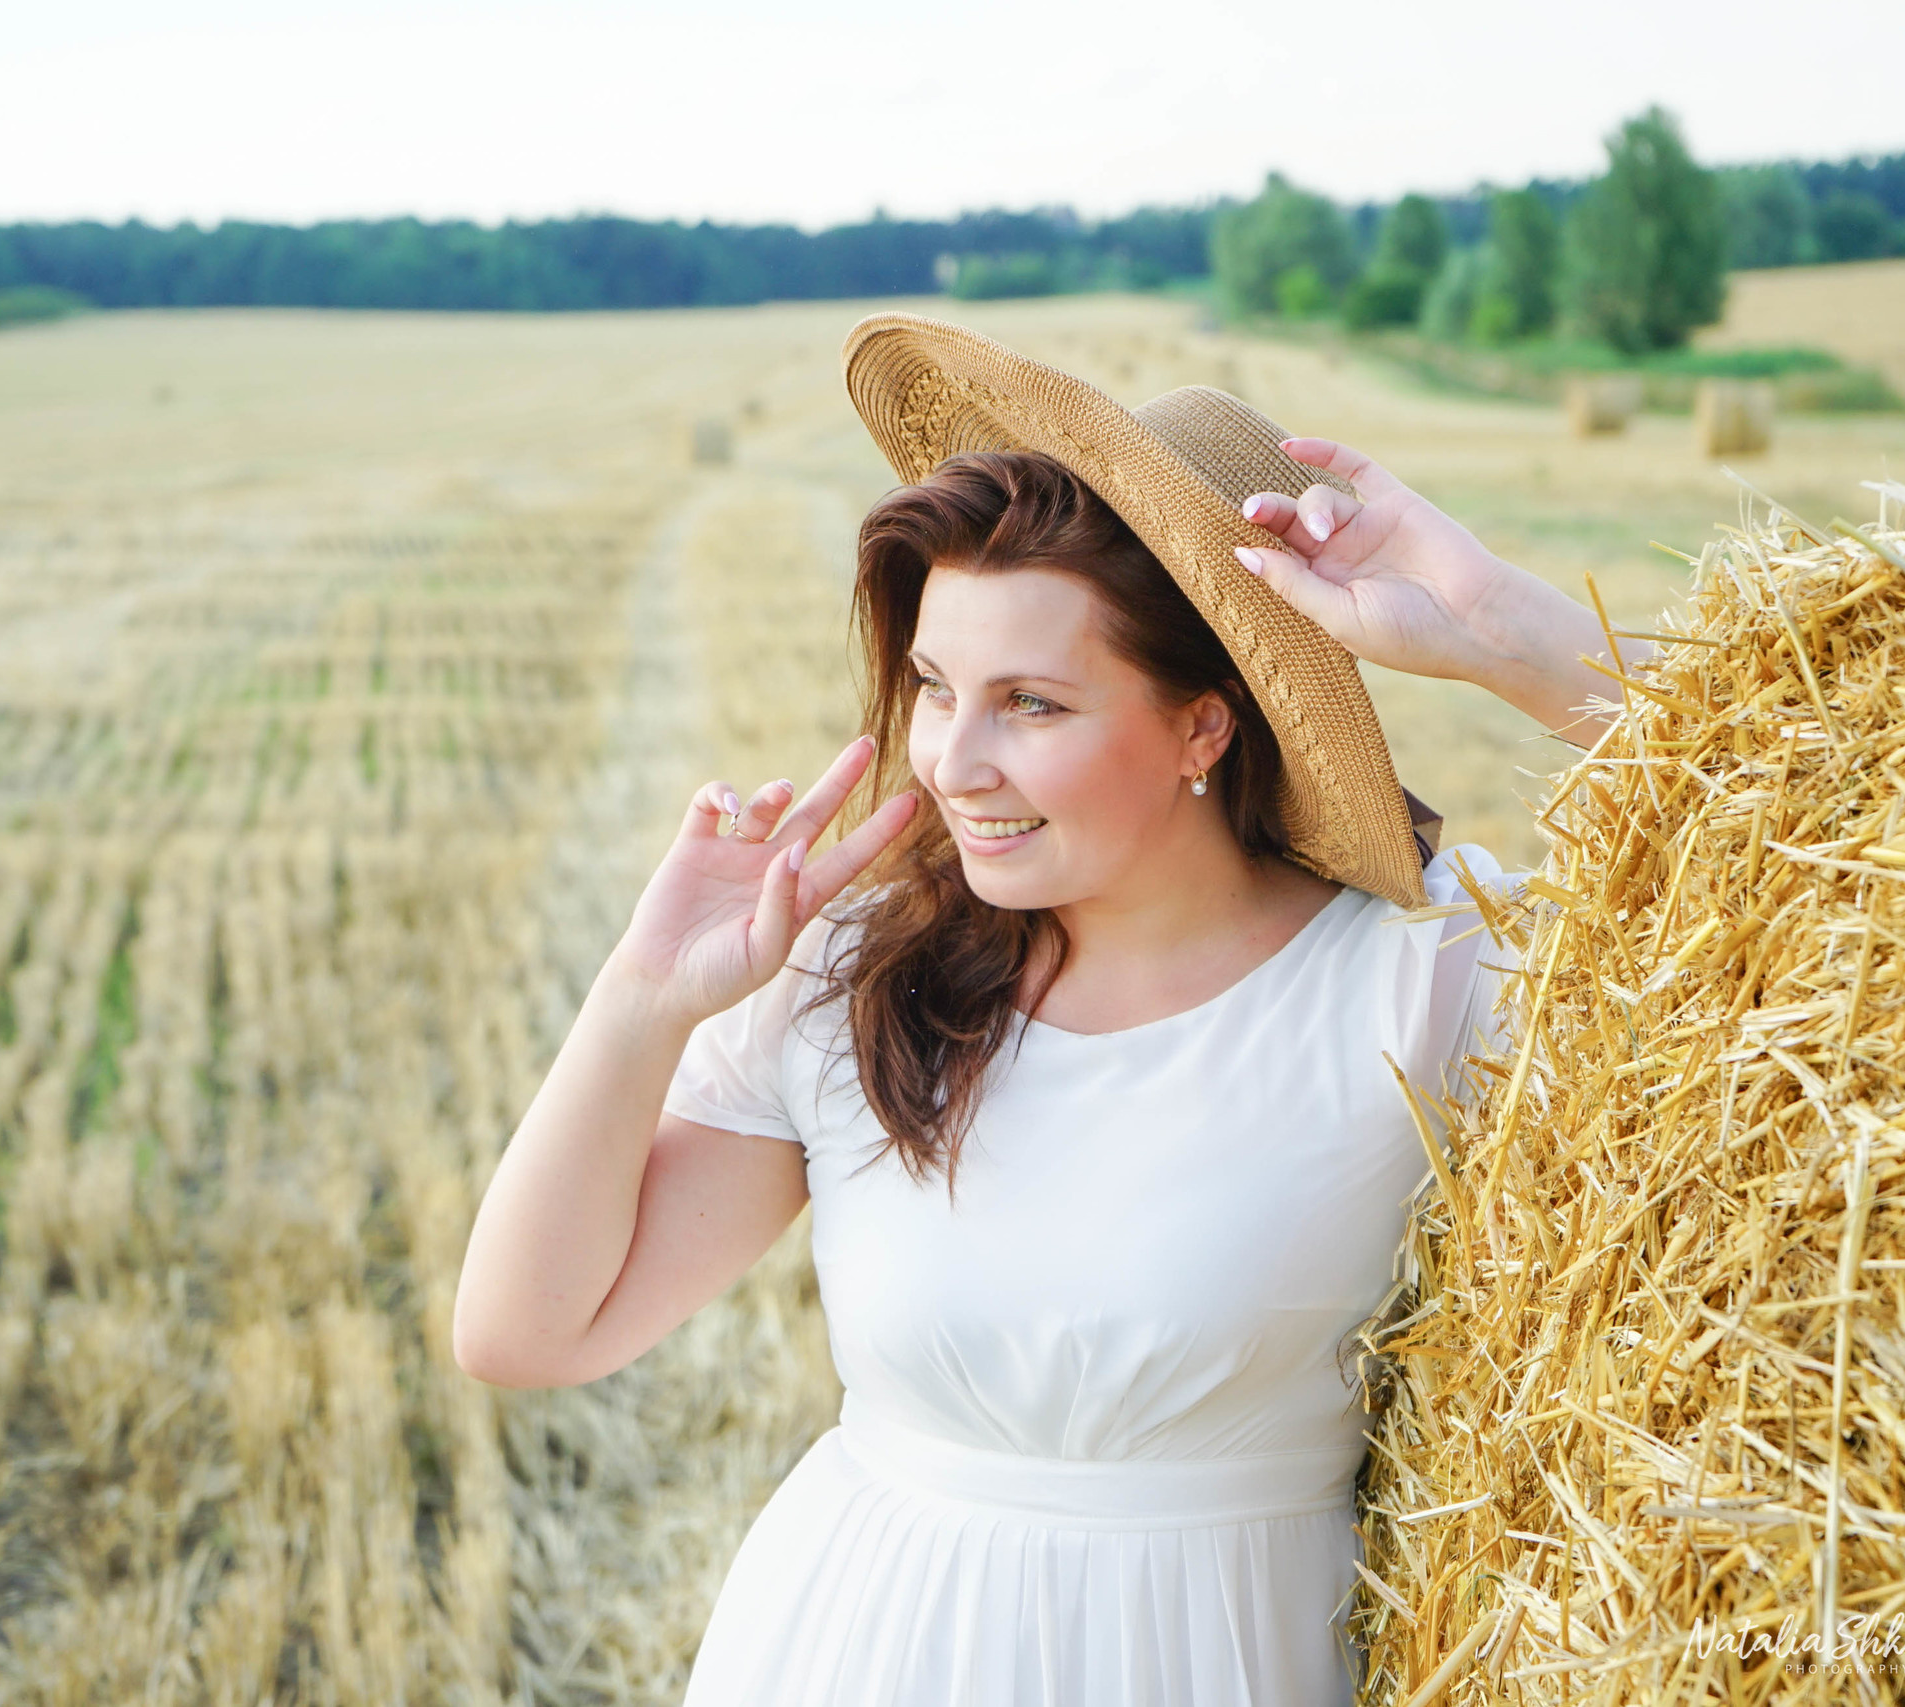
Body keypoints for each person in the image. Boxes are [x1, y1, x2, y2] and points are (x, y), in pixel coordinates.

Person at [451, 315, 1657, 1704]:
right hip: (854, 1647)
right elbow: (527, 1334)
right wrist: (640, 1003)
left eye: (1030, 703)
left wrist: (1501, 629)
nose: (955, 760)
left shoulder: (1432, 966)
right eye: (933, 686)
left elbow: (1827, 837)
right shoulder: (855, 973)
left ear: (1205, 725)